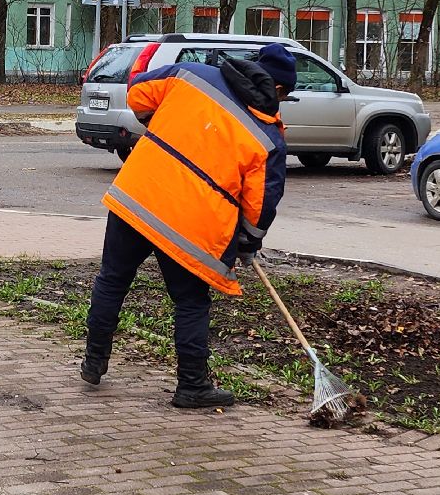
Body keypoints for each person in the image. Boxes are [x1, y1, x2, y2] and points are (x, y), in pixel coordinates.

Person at [79, 43, 295, 409]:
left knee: (112, 280)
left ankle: (94, 361)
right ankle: (192, 385)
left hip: (137, 195)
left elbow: (138, 94)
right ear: (276, 90)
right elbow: (260, 206)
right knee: (191, 302)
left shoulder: (192, 75)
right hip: (188, 225)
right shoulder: (268, 137)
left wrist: (162, 122)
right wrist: (247, 242)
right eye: (286, 97)